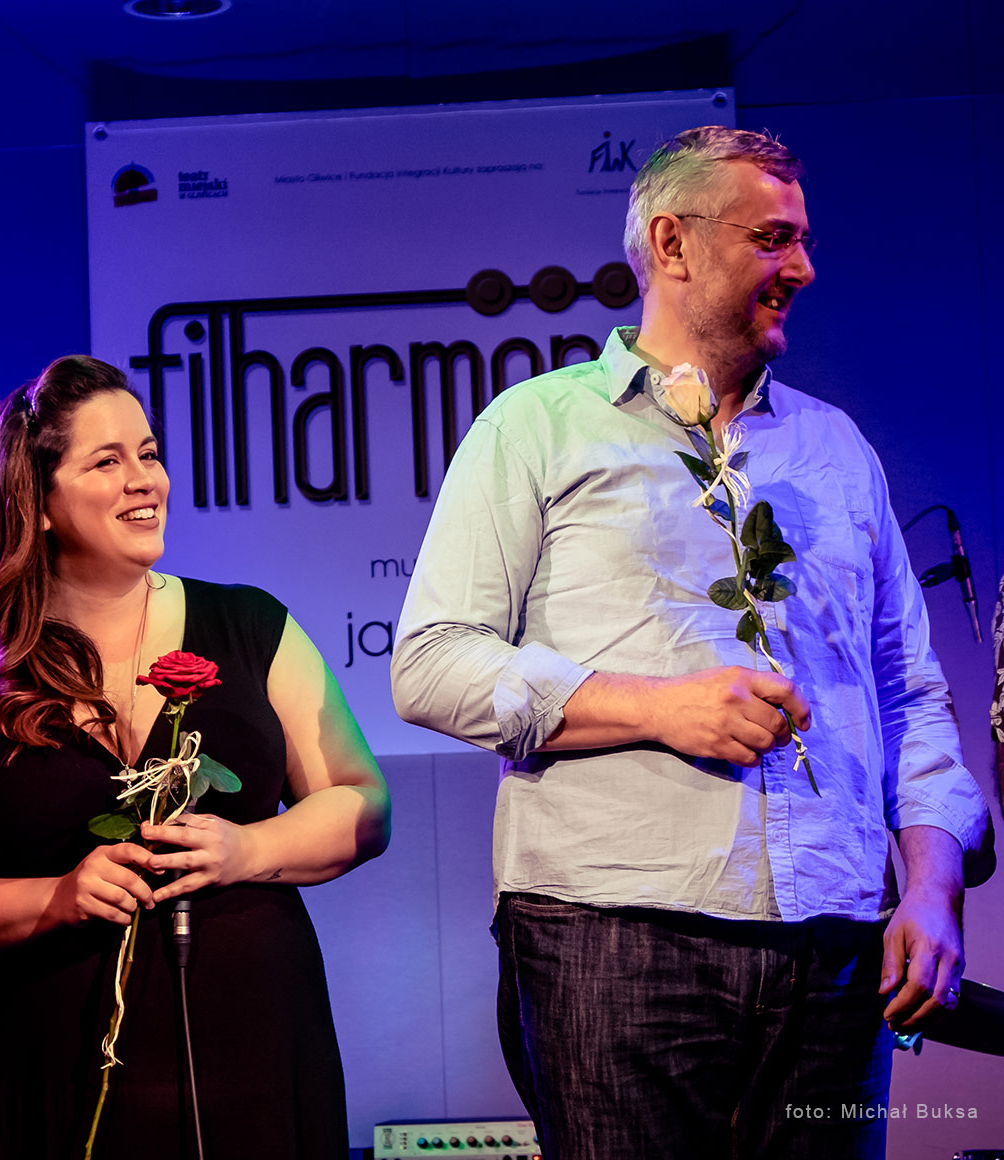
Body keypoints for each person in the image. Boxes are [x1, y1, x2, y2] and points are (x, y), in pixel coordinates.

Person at [390, 126, 994, 1159]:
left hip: (837, 948)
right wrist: (660, 707)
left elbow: (909, 695)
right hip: (613, 934)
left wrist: (932, 889)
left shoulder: (836, 449)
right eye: (772, 238)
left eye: (802, 239)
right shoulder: (536, 427)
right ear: (672, 244)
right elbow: (433, 662)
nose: (803, 268)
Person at [0, 354, 391, 1159]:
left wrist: (249, 849)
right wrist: (55, 897)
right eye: (107, 461)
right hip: (61, 1065)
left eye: (148, 453)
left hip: (253, 1049)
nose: (146, 480)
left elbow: (362, 802)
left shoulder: (251, 626)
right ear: (37, 501)